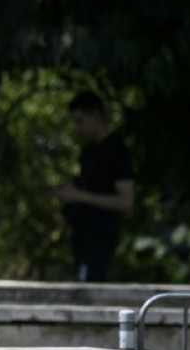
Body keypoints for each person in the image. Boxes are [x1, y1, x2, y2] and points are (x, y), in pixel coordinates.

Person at [54, 91, 135, 282]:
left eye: (80, 121)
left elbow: (126, 201)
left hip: (101, 239)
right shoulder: (89, 152)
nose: (77, 127)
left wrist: (80, 196)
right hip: (83, 237)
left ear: (96, 116)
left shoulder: (117, 152)